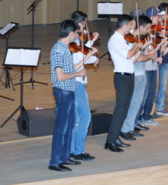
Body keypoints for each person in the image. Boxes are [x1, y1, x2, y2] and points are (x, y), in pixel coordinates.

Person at [48, 19, 98, 172]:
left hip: (69, 91)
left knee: (69, 126)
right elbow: (60, 76)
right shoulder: (58, 50)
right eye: (76, 33)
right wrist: (78, 73)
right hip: (62, 92)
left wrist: (86, 58)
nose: (77, 36)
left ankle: (64, 157)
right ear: (70, 33)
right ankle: (55, 161)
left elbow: (72, 67)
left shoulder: (66, 48)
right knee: (61, 128)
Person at [105, 14, 145, 153]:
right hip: (121, 78)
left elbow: (131, 60)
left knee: (125, 109)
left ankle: (115, 137)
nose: (131, 28)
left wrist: (139, 49)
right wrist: (136, 47)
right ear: (125, 25)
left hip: (129, 76)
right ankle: (110, 141)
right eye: (130, 25)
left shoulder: (123, 40)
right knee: (120, 109)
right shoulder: (114, 41)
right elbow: (128, 54)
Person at [120, 14, 157, 140]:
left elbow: (145, 54)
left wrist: (149, 49)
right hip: (135, 75)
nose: (149, 31)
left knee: (138, 103)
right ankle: (126, 128)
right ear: (140, 27)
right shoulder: (131, 39)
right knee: (133, 103)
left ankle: (132, 126)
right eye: (147, 29)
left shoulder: (140, 39)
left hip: (142, 74)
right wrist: (150, 56)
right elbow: (138, 59)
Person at [69, 11, 99, 162]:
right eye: (84, 23)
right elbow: (78, 59)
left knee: (76, 118)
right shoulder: (73, 41)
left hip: (78, 83)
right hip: (77, 83)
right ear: (80, 23)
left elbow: (82, 53)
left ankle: (73, 150)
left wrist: (91, 44)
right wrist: (91, 55)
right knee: (84, 117)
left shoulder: (75, 39)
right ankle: (76, 150)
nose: (85, 26)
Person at [155, 3, 168, 116]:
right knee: (153, 83)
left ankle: (160, 106)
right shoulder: (155, 24)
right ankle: (150, 107)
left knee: (163, 83)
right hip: (154, 55)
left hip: (166, 56)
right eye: (167, 14)